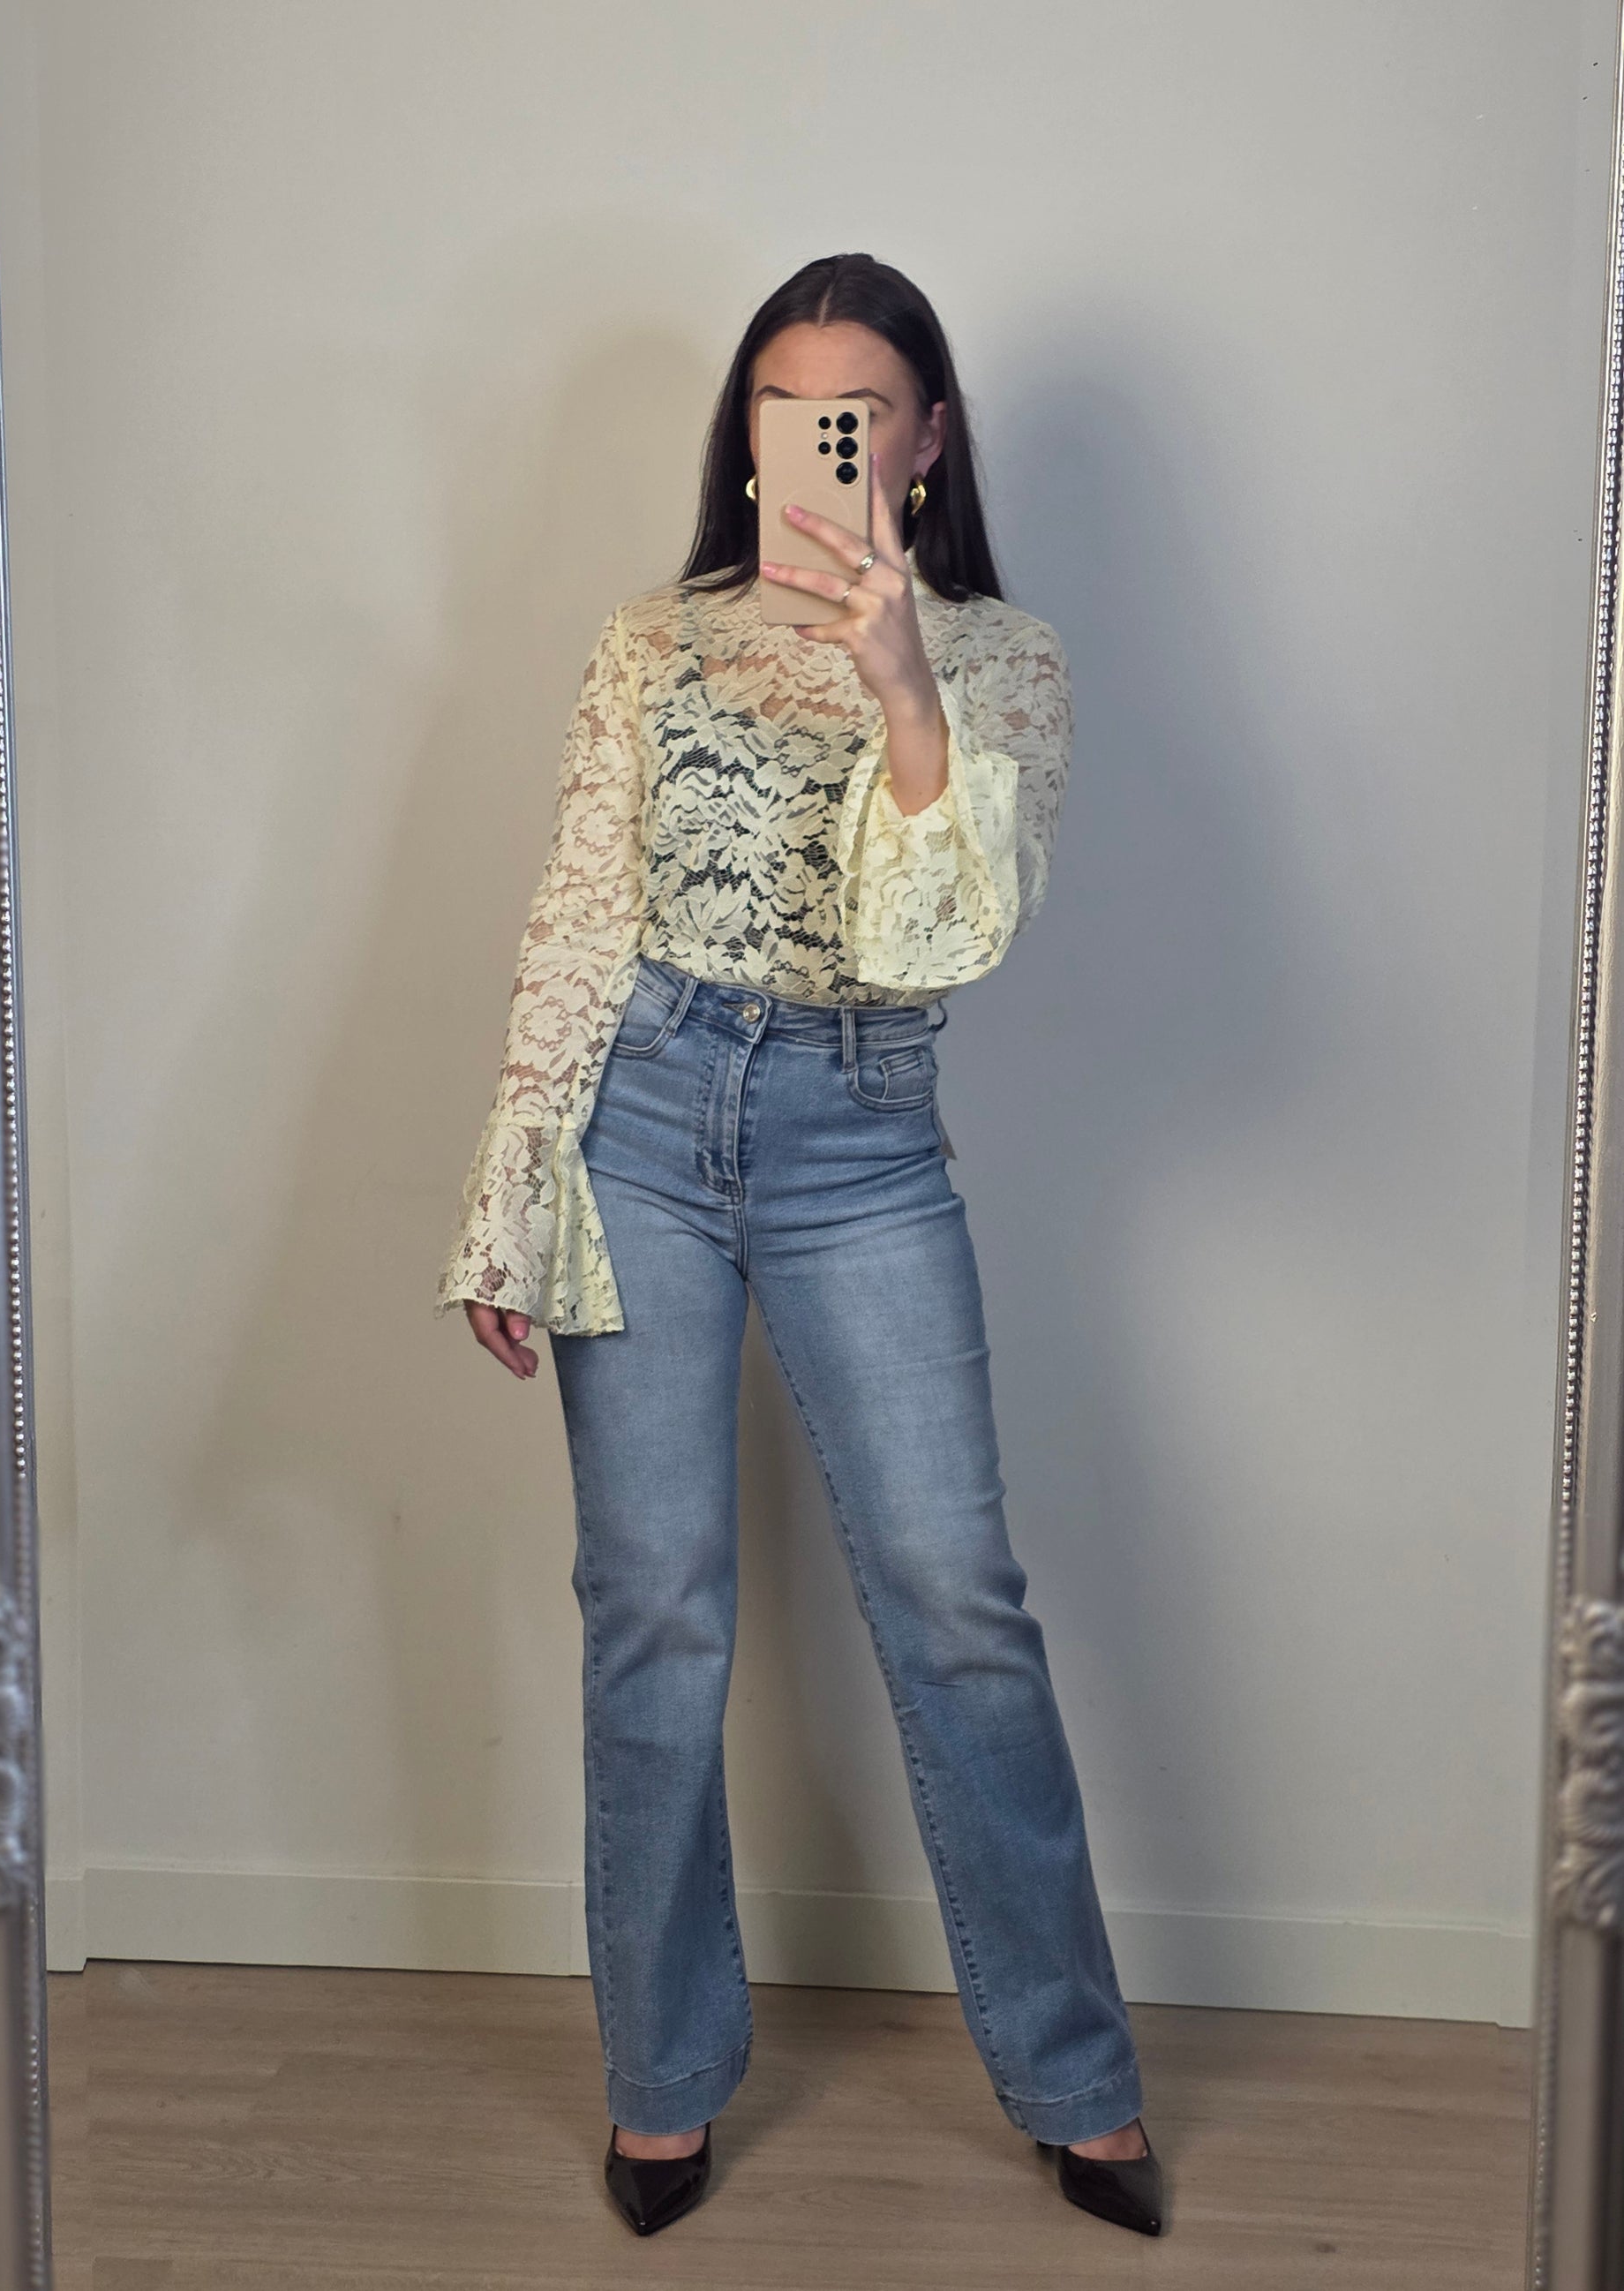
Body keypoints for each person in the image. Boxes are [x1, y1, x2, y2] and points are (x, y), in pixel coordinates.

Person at [435, 252, 1165, 2243]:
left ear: (925, 441)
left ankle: (1076, 2079)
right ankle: (661, 2078)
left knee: (956, 1602)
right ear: (750, 436)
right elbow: (581, 905)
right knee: (652, 1613)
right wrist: (515, 1185)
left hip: (861, 1133)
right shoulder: (651, 642)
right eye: (784, 405)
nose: (819, 438)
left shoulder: (1004, 660)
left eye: (859, 408)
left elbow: (954, 936)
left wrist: (902, 679)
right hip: (640, 1120)